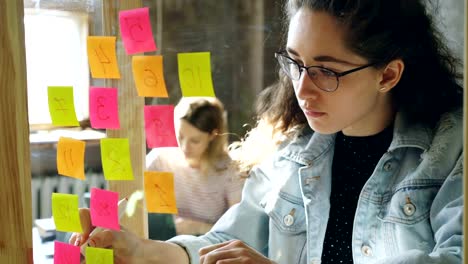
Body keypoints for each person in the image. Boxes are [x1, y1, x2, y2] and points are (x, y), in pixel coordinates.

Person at [70, 0, 464, 263]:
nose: (302, 89)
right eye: (294, 63)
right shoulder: (295, 155)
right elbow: (220, 246)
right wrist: (140, 251)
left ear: (388, 74)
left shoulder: (451, 153)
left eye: (326, 71)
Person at [145, 97, 244, 236]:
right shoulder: (161, 160)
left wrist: (197, 228)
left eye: (195, 141)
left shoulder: (230, 170)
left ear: (213, 135)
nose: (185, 147)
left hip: (208, 248)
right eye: (180, 136)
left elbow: (240, 229)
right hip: (161, 243)